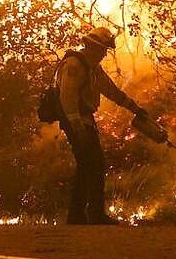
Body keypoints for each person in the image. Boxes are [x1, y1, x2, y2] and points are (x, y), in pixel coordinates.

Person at [57, 27, 146, 225]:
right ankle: (93, 214)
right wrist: (77, 125)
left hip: (84, 120)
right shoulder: (74, 65)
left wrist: (136, 109)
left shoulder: (92, 68)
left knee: (87, 165)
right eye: (102, 49)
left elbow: (112, 92)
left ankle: (78, 215)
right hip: (75, 121)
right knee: (94, 164)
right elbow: (67, 96)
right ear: (91, 47)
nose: (104, 53)